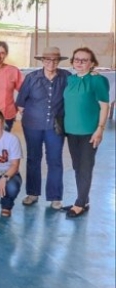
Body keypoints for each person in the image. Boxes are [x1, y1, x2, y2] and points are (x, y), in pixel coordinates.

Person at [16, 46, 71, 210]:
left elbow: (78, 88)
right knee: (33, 158)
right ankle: (33, 193)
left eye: (54, 60)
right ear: (42, 61)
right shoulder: (32, 78)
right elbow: (20, 102)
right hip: (32, 125)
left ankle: (55, 197)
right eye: (47, 60)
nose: (51, 63)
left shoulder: (66, 77)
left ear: (58, 62)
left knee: (55, 159)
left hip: (55, 126)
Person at [62, 47, 110, 219]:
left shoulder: (98, 80)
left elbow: (105, 105)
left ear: (92, 63)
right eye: (76, 59)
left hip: (89, 131)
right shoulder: (70, 80)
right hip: (71, 131)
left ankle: (80, 203)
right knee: (77, 166)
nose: (80, 63)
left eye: (84, 60)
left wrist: (100, 129)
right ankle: (83, 199)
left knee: (85, 166)